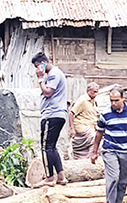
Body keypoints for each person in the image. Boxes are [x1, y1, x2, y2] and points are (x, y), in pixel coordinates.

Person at [90, 87, 127, 203]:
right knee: (113, 177)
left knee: (123, 181)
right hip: (110, 150)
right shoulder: (105, 113)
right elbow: (99, 133)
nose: (113, 103)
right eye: (111, 100)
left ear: (122, 99)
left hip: (125, 150)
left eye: (116, 100)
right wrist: (94, 151)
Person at [33, 52, 68, 186]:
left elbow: (48, 93)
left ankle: (49, 177)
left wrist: (41, 79)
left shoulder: (53, 74)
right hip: (57, 114)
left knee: (46, 147)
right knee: (52, 147)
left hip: (52, 114)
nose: (37, 70)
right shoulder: (56, 73)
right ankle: (61, 176)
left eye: (38, 66)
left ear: (43, 63)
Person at [69, 83, 99, 158]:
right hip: (82, 125)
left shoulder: (94, 101)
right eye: (94, 92)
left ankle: (88, 157)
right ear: (88, 91)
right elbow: (71, 113)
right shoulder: (82, 100)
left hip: (92, 125)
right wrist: (72, 128)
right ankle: (89, 156)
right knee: (95, 137)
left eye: (97, 92)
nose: (96, 94)